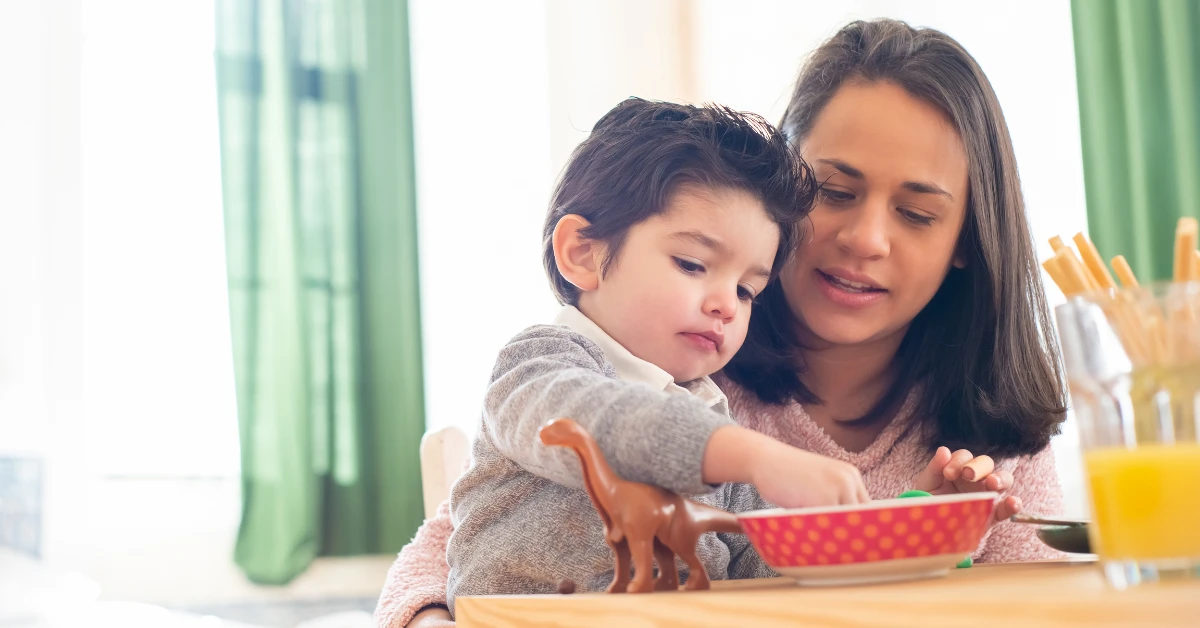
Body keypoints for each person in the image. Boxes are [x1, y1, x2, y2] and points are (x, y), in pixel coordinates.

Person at [376, 18, 1067, 628]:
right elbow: (452, 542)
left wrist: (924, 529)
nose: (867, 240)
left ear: (967, 246)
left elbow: (779, 580)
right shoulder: (662, 367)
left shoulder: (995, 435)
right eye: (834, 191)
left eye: (916, 214)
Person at [443, 97, 867, 615]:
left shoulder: (711, 419)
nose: (725, 305)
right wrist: (754, 456)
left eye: (746, 291)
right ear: (583, 252)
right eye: (692, 264)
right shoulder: (540, 363)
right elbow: (597, 423)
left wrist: (910, 521)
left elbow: (772, 561)